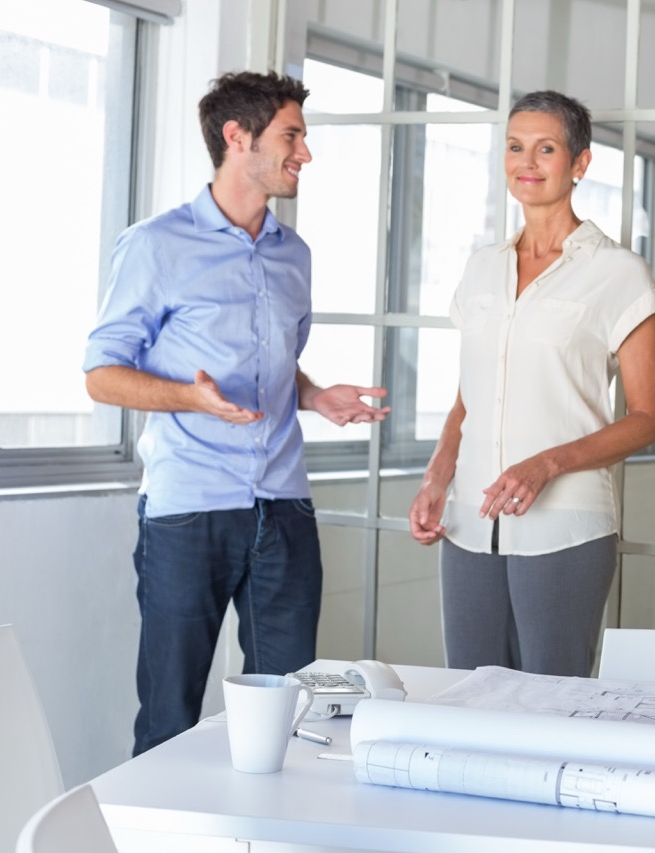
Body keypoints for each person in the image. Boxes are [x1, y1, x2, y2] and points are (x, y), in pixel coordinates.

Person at [83, 70, 391, 755]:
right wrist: (189, 397)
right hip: (188, 508)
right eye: (292, 136)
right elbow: (101, 375)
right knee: (170, 714)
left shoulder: (294, 256)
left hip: (283, 507)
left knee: (289, 715)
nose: (304, 154)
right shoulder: (156, 245)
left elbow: (276, 364)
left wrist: (313, 395)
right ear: (236, 136)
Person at [409, 90, 655, 677]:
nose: (527, 162)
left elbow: (648, 416)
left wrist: (546, 464)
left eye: (545, 148)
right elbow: (469, 397)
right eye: (516, 147)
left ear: (579, 164)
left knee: (551, 707)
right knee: (469, 699)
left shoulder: (618, 273)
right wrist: (436, 477)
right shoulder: (481, 266)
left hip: (565, 527)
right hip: (469, 522)